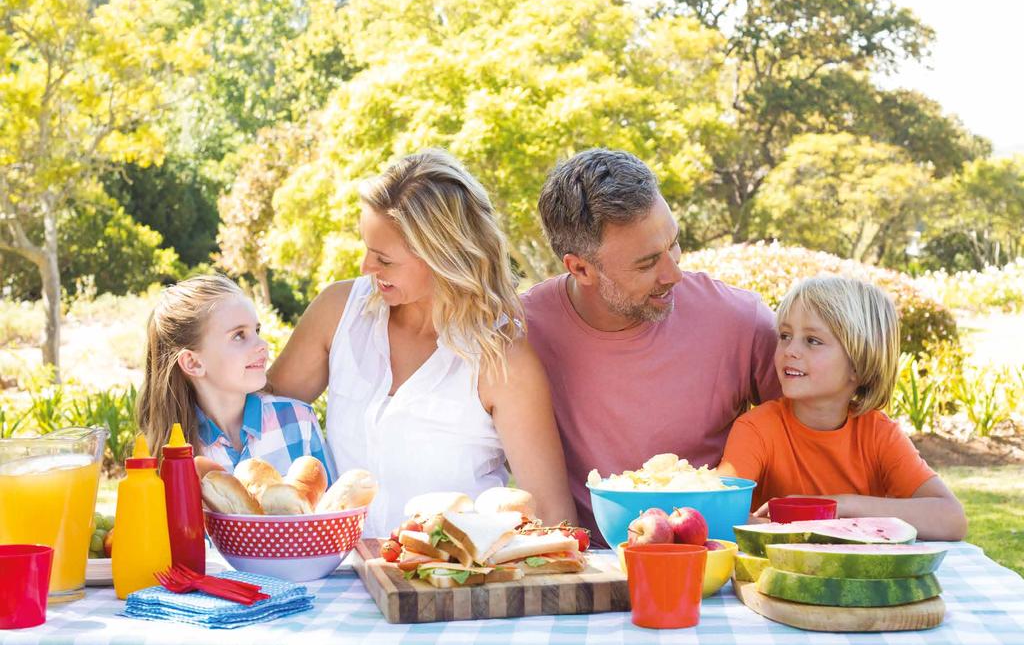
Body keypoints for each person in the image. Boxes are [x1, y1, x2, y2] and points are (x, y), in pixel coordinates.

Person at [267, 149, 578, 538]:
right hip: (336, 575)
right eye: (366, 248)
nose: (366, 267)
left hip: (451, 584)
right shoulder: (339, 312)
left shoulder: (503, 360)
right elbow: (259, 419)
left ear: (443, 256)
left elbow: (553, 516)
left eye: (384, 258)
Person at [522, 148, 781, 544]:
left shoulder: (742, 322)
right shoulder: (523, 333)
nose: (674, 273)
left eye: (674, 244)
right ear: (580, 268)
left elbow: (816, 439)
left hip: (716, 563)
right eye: (646, 264)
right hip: (590, 566)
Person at [718, 276, 967, 541]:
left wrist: (840, 507)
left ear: (859, 364)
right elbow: (718, 512)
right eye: (785, 335)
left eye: (812, 340)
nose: (790, 350)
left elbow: (951, 518)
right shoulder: (757, 428)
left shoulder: (878, 433)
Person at [137, 275, 336, 481]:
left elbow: (333, 510)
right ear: (193, 363)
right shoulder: (173, 457)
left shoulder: (298, 420)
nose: (262, 345)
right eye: (239, 335)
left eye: (256, 330)